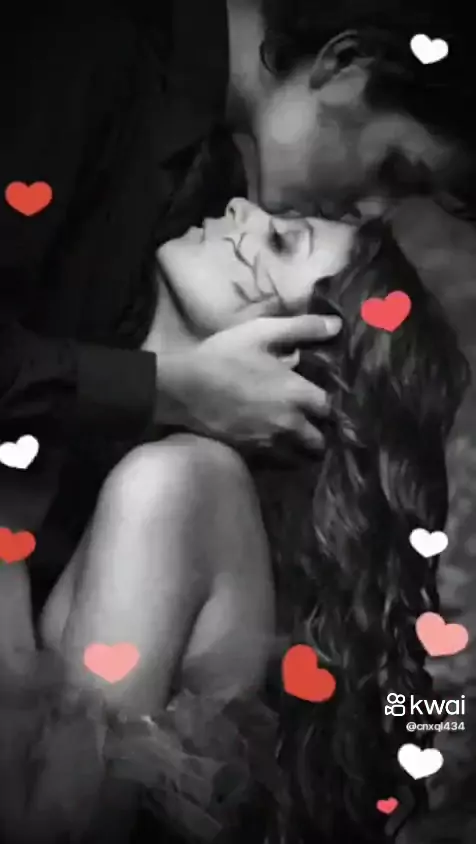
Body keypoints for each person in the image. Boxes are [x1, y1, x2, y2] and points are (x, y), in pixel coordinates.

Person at [0, 199, 469, 844]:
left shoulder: (180, 482)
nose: (240, 206)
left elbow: (53, 829)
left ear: (288, 354)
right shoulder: (139, 467)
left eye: (281, 242)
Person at [1, 0, 476, 617]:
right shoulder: (73, 53)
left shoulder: (208, 188)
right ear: (346, 63)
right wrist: (161, 389)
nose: (374, 211)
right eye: (394, 171)